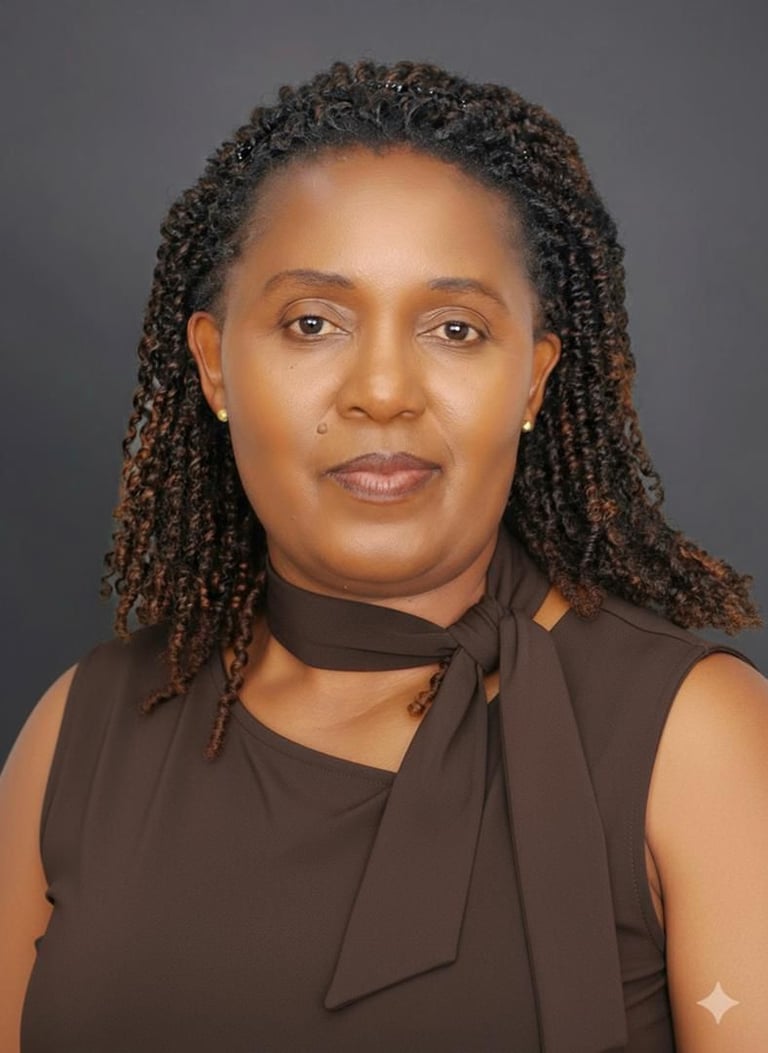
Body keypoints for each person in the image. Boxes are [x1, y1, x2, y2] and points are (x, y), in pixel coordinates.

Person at [1, 58, 766, 1053]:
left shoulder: (697, 737)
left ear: (534, 381)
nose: (383, 391)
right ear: (215, 364)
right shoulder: (81, 728)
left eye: (455, 328)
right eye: (312, 323)